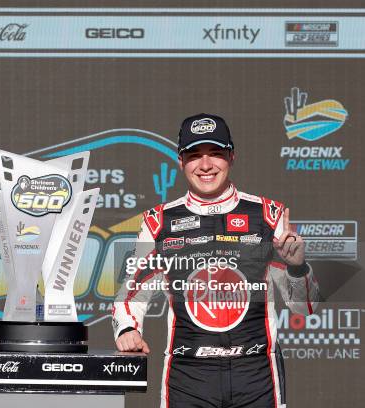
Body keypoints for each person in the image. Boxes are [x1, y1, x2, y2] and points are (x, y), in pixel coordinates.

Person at [112, 114, 320, 408]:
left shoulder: (268, 216)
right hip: (188, 376)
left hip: (257, 374)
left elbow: (304, 306)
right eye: (195, 155)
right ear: (181, 161)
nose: (206, 165)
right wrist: (128, 329)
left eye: (216, 154)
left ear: (232, 156)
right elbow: (131, 293)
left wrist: (298, 267)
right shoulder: (159, 222)